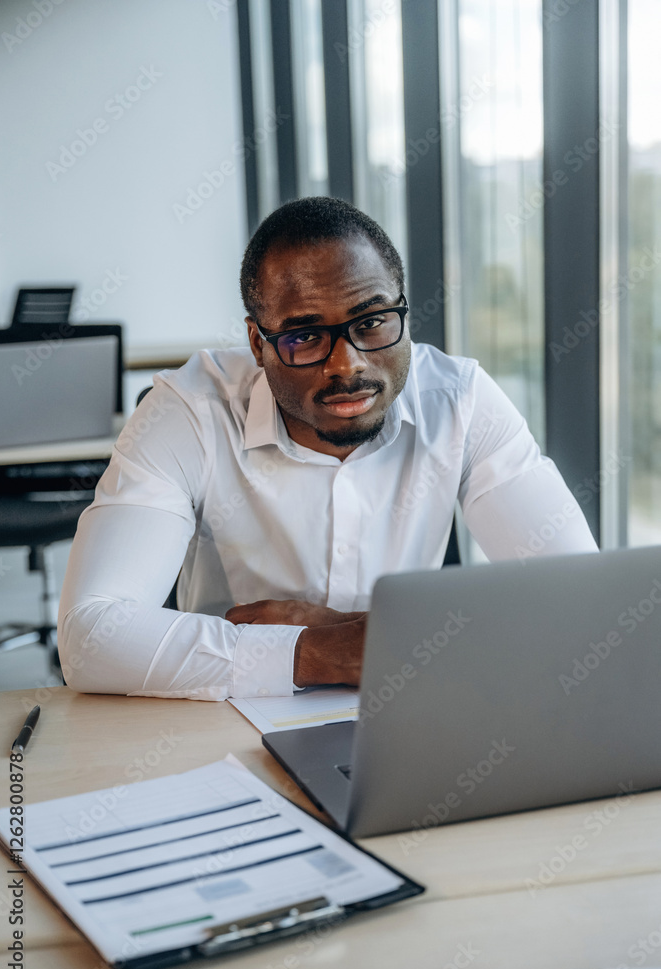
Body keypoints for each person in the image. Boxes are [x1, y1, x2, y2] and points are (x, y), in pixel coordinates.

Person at [58, 196, 597, 700]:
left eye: (372, 321)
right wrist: (326, 653)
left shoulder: (461, 399)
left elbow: (583, 601)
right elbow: (90, 636)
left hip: (409, 709)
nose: (349, 365)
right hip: (224, 720)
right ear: (257, 344)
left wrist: (346, 636)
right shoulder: (190, 411)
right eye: (305, 336)